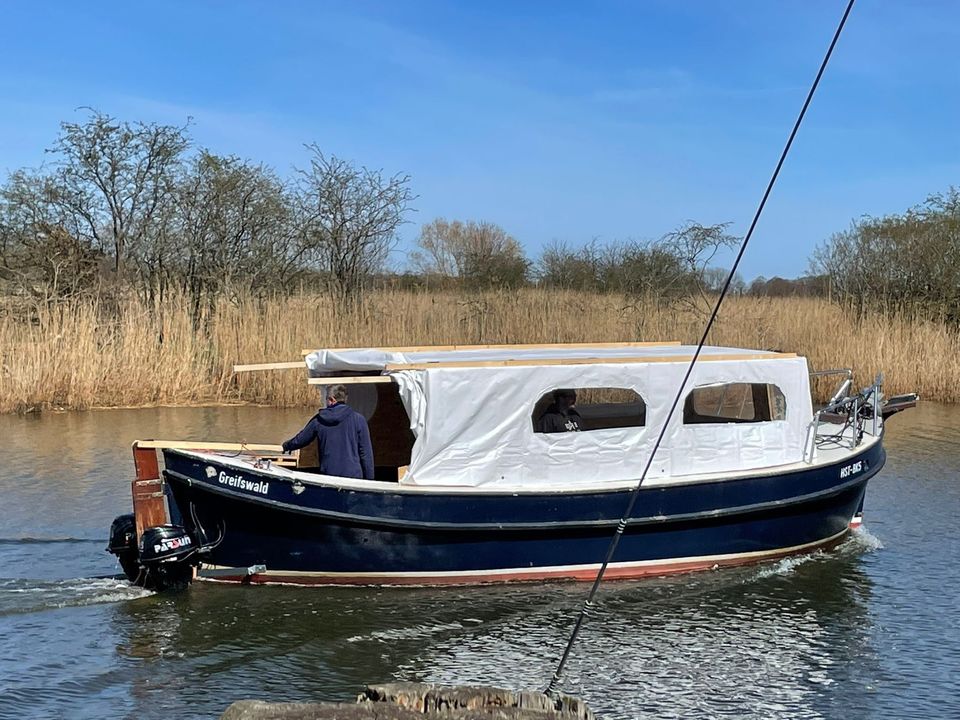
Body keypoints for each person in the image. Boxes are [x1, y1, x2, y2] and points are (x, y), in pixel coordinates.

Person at [282, 384, 375, 479]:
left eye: (326, 398)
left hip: (328, 475)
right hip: (353, 476)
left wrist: (287, 446)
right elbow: (366, 454)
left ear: (331, 400)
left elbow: (301, 439)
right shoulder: (359, 420)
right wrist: (370, 480)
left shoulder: (319, 420)